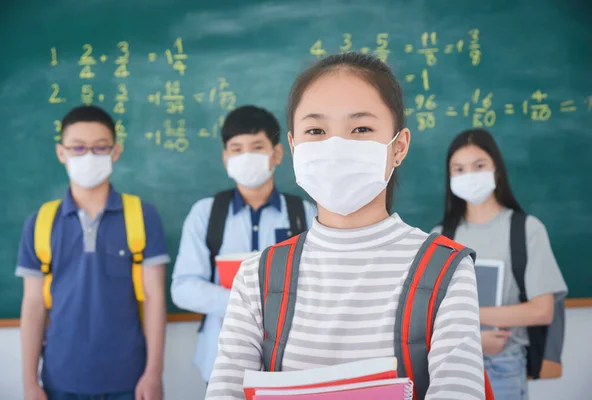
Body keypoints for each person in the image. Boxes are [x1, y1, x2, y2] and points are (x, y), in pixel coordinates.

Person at [206, 53, 485, 399]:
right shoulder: (256, 277)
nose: (336, 147)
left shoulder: (446, 270)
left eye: (361, 129)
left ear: (398, 147)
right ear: (293, 147)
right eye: (316, 130)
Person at [17, 105, 169, 400]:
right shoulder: (40, 222)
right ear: (62, 153)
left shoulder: (142, 216)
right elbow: (33, 305)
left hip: (130, 378)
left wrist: (153, 373)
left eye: (100, 148)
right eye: (78, 148)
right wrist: (29, 383)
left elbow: (155, 298)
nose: (89, 156)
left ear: (116, 151)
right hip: (59, 379)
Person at [171, 105, 316, 383]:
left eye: (257, 146)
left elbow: (320, 283)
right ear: (226, 158)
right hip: (221, 361)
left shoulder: (304, 213)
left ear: (277, 154)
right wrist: (248, 304)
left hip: (291, 363)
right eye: (236, 149)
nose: (246, 156)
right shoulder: (206, 214)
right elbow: (183, 288)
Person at [433, 128, 568, 399]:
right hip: (451, 365)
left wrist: (470, 317)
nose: (469, 175)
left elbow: (542, 311)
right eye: (458, 169)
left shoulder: (526, 230)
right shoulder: (440, 237)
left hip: (505, 365)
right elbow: (429, 314)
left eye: (478, 166)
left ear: (496, 169)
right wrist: (474, 339)